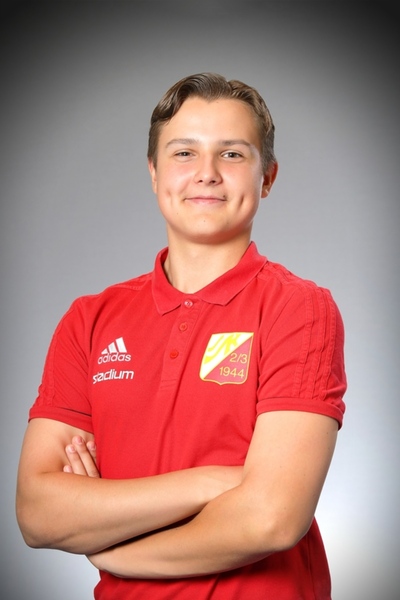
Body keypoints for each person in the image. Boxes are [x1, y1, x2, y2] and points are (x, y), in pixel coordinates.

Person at [16, 72, 347, 599]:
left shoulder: (299, 309)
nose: (207, 173)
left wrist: (117, 551)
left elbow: (271, 519)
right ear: (154, 172)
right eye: (184, 153)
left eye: (232, 154)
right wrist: (213, 481)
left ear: (267, 177)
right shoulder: (89, 319)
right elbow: (38, 513)